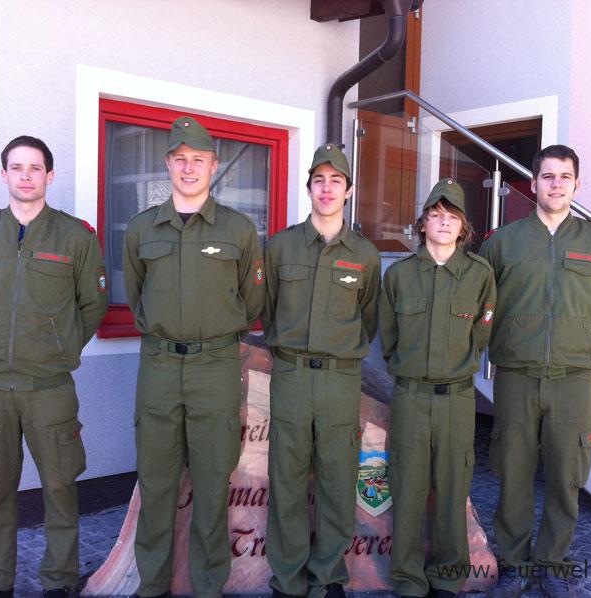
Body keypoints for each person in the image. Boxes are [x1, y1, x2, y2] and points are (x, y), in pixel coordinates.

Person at [0, 136, 109, 598]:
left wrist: (58, 345)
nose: (26, 176)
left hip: (49, 387)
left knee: (60, 488)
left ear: (50, 175)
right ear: (4, 174)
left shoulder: (75, 236)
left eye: (35, 168)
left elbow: (93, 304)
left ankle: (59, 580)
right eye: (17, 167)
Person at [123, 116, 265, 598]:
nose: (188, 168)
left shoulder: (238, 230)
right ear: (167, 164)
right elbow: (136, 294)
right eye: (180, 159)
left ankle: (208, 586)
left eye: (198, 159)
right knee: (156, 482)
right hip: (160, 366)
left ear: (213, 165)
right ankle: (152, 584)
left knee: (211, 484)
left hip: (215, 367)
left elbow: (251, 300)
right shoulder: (142, 228)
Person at [478, 145, 591, 597]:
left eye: (564, 177)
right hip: (517, 376)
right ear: (533, 183)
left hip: (573, 379)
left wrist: (579, 336)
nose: (556, 184)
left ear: (577, 184)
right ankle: (515, 564)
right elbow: (485, 301)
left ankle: (553, 563)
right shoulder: (503, 242)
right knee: (513, 472)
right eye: (547, 176)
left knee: (566, 476)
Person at [262, 144, 381, 598]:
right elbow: (268, 309)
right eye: (319, 181)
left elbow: (368, 319)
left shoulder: (365, 254)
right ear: (308, 187)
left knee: (336, 478)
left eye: (336, 181)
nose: (327, 189)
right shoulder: (281, 246)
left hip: (339, 378)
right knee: (287, 478)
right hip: (291, 375)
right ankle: (288, 578)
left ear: (349, 190)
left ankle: (328, 575)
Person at [380, 178, 496, 598]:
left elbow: (480, 335)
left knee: (452, 488)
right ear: (423, 223)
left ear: (463, 226)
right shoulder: (399, 275)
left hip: (457, 399)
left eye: (452, 216)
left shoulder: (479, 275)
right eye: (435, 215)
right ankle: (408, 579)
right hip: (410, 396)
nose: (443, 222)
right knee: (407, 489)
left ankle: (447, 577)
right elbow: (389, 339)